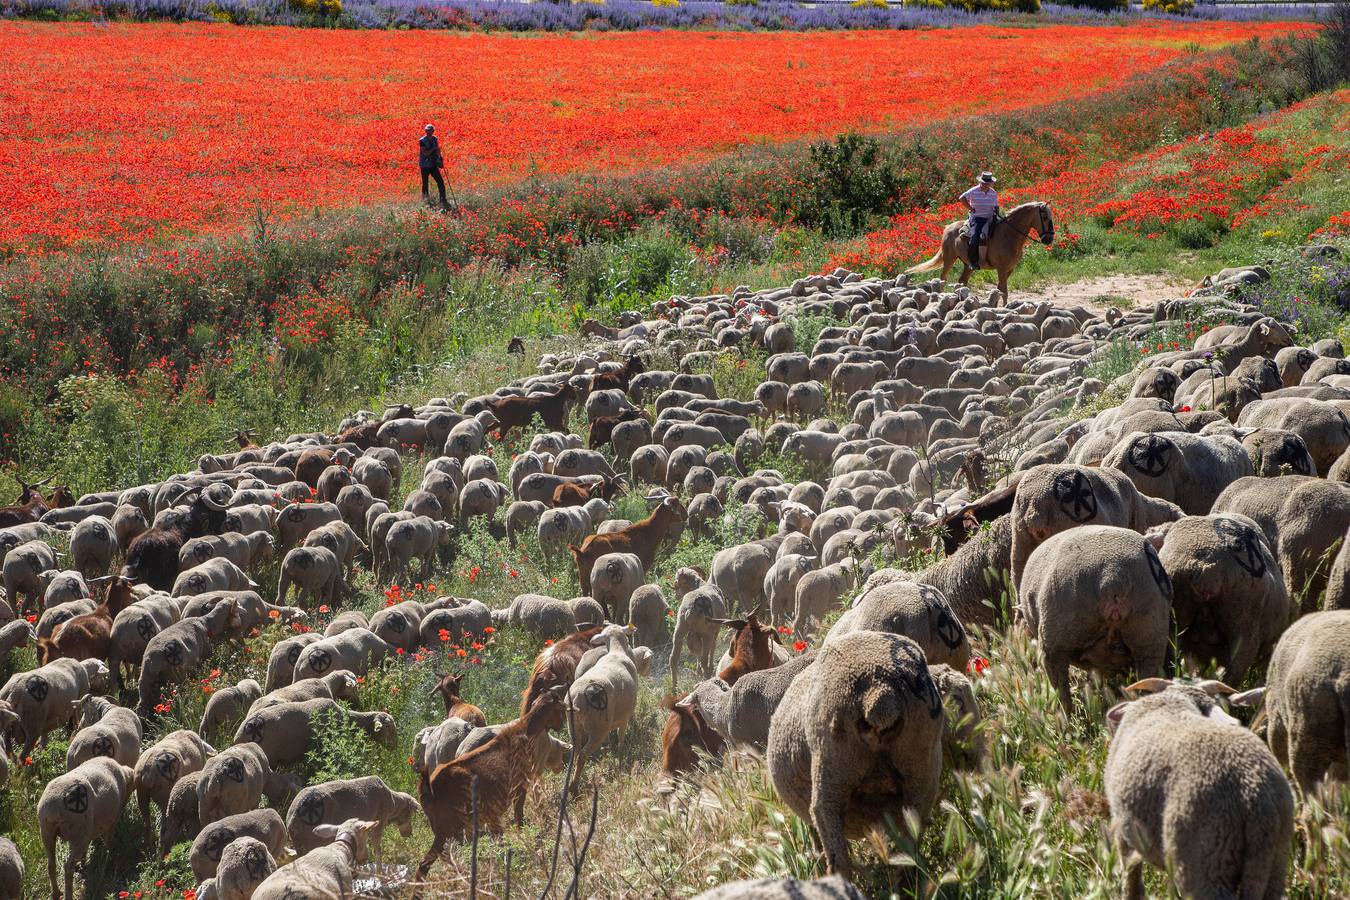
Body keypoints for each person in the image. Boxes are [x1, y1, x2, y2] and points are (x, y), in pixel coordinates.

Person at [960, 172, 999, 269]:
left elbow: (995, 204)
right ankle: (973, 261)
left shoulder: (992, 192)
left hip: (990, 217)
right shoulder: (973, 191)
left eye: (988, 183)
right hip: (977, 218)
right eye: (984, 183)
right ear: (980, 182)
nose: (986, 185)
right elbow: (962, 198)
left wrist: (996, 211)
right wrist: (970, 208)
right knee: (975, 238)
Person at [418, 123, 448, 209]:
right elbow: (425, 153)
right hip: (424, 165)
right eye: (427, 131)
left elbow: (438, 149)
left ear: (433, 131)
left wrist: (439, 157)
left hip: (433, 164)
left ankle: (443, 199)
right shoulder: (422, 141)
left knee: (440, 182)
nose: (428, 132)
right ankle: (425, 200)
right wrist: (433, 149)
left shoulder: (435, 139)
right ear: (425, 131)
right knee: (425, 183)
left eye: (430, 131)